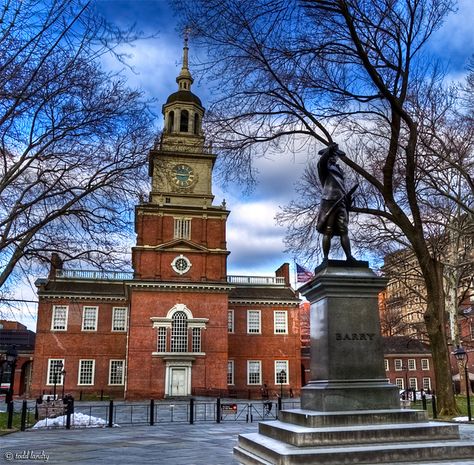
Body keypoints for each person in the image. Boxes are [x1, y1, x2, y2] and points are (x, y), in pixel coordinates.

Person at [316, 143, 356, 262]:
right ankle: (326, 258)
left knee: (344, 230)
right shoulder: (323, 168)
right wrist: (329, 149)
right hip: (329, 201)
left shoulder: (339, 170)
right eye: (331, 155)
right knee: (328, 230)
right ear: (327, 155)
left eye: (335, 155)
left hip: (342, 201)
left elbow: (340, 187)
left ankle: (349, 257)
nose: (334, 157)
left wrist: (347, 200)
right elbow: (321, 162)